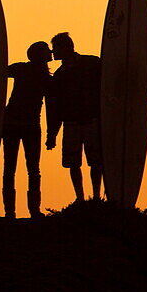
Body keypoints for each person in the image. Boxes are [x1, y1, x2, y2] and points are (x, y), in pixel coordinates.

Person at [45, 32, 103, 203]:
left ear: (65, 47)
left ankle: (96, 196)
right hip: (70, 124)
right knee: (73, 163)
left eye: (55, 48)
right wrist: (52, 134)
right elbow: (54, 107)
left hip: (92, 121)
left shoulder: (92, 63)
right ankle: (80, 198)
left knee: (96, 160)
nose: (53, 52)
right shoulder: (59, 75)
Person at [1, 41, 52, 218]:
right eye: (47, 50)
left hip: (19, 124)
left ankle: (13, 212)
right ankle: (30, 211)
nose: (50, 52)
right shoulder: (32, 73)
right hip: (22, 125)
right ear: (39, 55)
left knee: (13, 168)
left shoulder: (27, 71)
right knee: (30, 169)